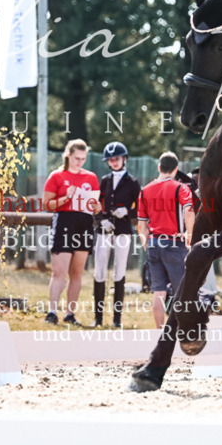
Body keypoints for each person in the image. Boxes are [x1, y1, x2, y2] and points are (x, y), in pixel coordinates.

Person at [42, 139, 100, 326]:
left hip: (84, 223)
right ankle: (52, 312)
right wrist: (66, 198)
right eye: (76, 158)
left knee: (77, 273)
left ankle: (70, 313)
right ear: (68, 155)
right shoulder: (56, 176)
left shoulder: (91, 177)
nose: (80, 162)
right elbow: (47, 204)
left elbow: (96, 206)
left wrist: (97, 207)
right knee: (59, 271)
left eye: (83, 159)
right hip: (64, 222)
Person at [137, 152, 195, 328]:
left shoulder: (144, 191)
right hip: (174, 242)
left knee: (158, 292)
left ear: (159, 167)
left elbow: (141, 225)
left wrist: (146, 244)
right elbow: (189, 213)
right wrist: (189, 237)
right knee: (182, 291)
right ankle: (185, 330)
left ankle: (160, 331)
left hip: (154, 242)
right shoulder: (181, 188)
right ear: (176, 169)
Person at [91, 141, 141, 328]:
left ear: (124, 159)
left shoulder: (133, 182)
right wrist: (100, 218)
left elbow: (141, 207)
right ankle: (98, 318)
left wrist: (128, 211)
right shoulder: (104, 180)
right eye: (111, 160)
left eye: (117, 159)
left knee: (119, 271)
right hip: (104, 229)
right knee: (99, 271)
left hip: (123, 231)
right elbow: (95, 204)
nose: (114, 162)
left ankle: (117, 319)